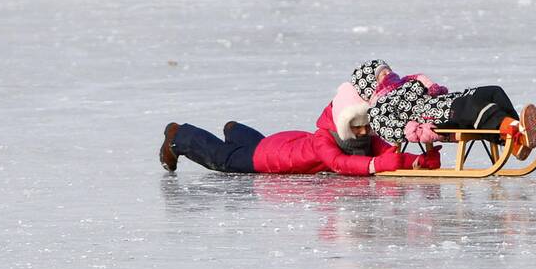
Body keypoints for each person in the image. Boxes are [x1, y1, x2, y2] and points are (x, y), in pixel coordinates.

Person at [158, 82, 441, 175]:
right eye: (358, 128)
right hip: (267, 159)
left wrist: (417, 160)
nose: (366, 133)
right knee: (225, 160)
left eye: (367, 126)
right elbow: (339, 163)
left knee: (258, 145)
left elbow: (383, 150)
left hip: (284, 144)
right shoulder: (325, 141)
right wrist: (377, 166)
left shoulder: (359, 134)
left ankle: (236, 131)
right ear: (343, 124)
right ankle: (178, 135)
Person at [349, 59, 536, 160]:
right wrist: (416, 130)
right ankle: (516, 131)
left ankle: (516, 141)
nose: (387, 72)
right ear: (370, 85)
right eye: (381, 73)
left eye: (387, 68)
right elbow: (387, 128)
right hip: (434, 117)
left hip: (446, 102)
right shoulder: (378, 107)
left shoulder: (407, 82)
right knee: (474, 107)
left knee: (493, 92)